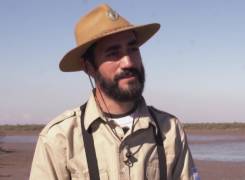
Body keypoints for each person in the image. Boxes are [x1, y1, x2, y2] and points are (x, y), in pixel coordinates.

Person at [30, 4, 199, 180]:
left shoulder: (170, 130)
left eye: (133, 49)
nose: (128, 62)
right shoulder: (60, 138)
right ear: (88, 67)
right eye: (113, 53)